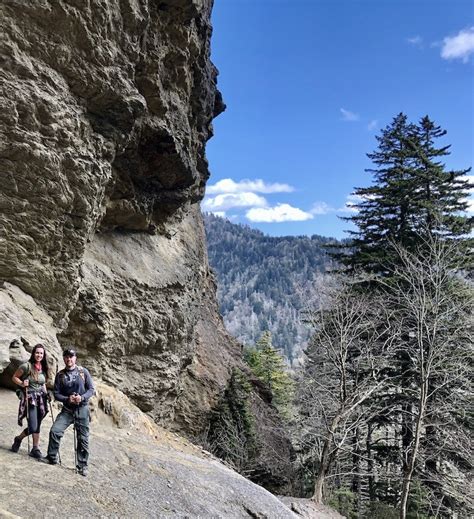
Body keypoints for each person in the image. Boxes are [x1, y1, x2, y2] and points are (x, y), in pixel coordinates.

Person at [46, 347, 95, 476]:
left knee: (83, 438)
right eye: (66, 356)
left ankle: (82, 465)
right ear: (64, 358)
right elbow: (56, 394)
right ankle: (51, 457)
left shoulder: (83, 372)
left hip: (82, 409)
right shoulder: (60, 375)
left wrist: (82, 397)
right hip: (67, 409)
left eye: (71, 356)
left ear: (75, 358)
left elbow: (91, 389)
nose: (69, 359)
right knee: (55, 431)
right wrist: (68, 399)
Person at [11, 343, 50, 458]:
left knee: (38, 424)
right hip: (30, 399)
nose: (39, 355)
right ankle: (18, 438)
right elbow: (14, 377)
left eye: (41, 353)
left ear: (43, 355)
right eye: (37, 352)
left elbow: (43, 384)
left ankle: (35, 448)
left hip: (41, 399)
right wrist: (22, 383)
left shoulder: (43, 368)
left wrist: (47, 394)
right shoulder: (26, 366)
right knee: (33, 426)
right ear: (33, 353)